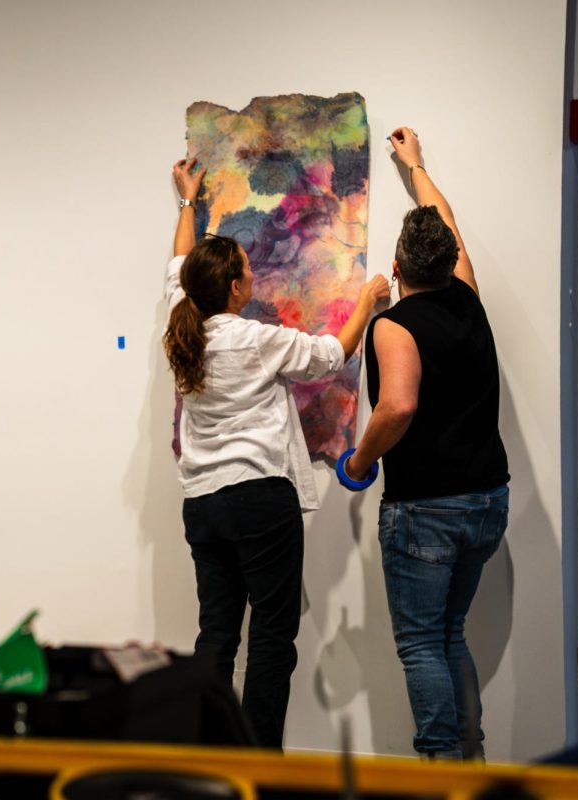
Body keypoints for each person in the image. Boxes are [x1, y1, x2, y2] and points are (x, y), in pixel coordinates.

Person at [164, 156, 389, 749]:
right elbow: (329, 356)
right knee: (271, 635)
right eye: (246, 270)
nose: (251, 275)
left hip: (202, 505)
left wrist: (188, 201)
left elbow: (175, 269)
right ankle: (262, 760)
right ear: (237, 286)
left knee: (216, 635)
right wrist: (367, 300)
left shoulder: (179, 325)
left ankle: (212, 754)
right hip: (260, 500)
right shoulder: (255, 339)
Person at [341, 127, 510, 760]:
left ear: (397, 266)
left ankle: (442, 769)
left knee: (419, 644)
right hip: (487, 499)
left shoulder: (394, 326)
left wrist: (358, 462)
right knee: (450, 633)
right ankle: (469, 756)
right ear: (446, 262)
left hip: (427, 510)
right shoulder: (468, 297)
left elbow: (398, 406)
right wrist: (416, 168)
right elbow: (449, 224)